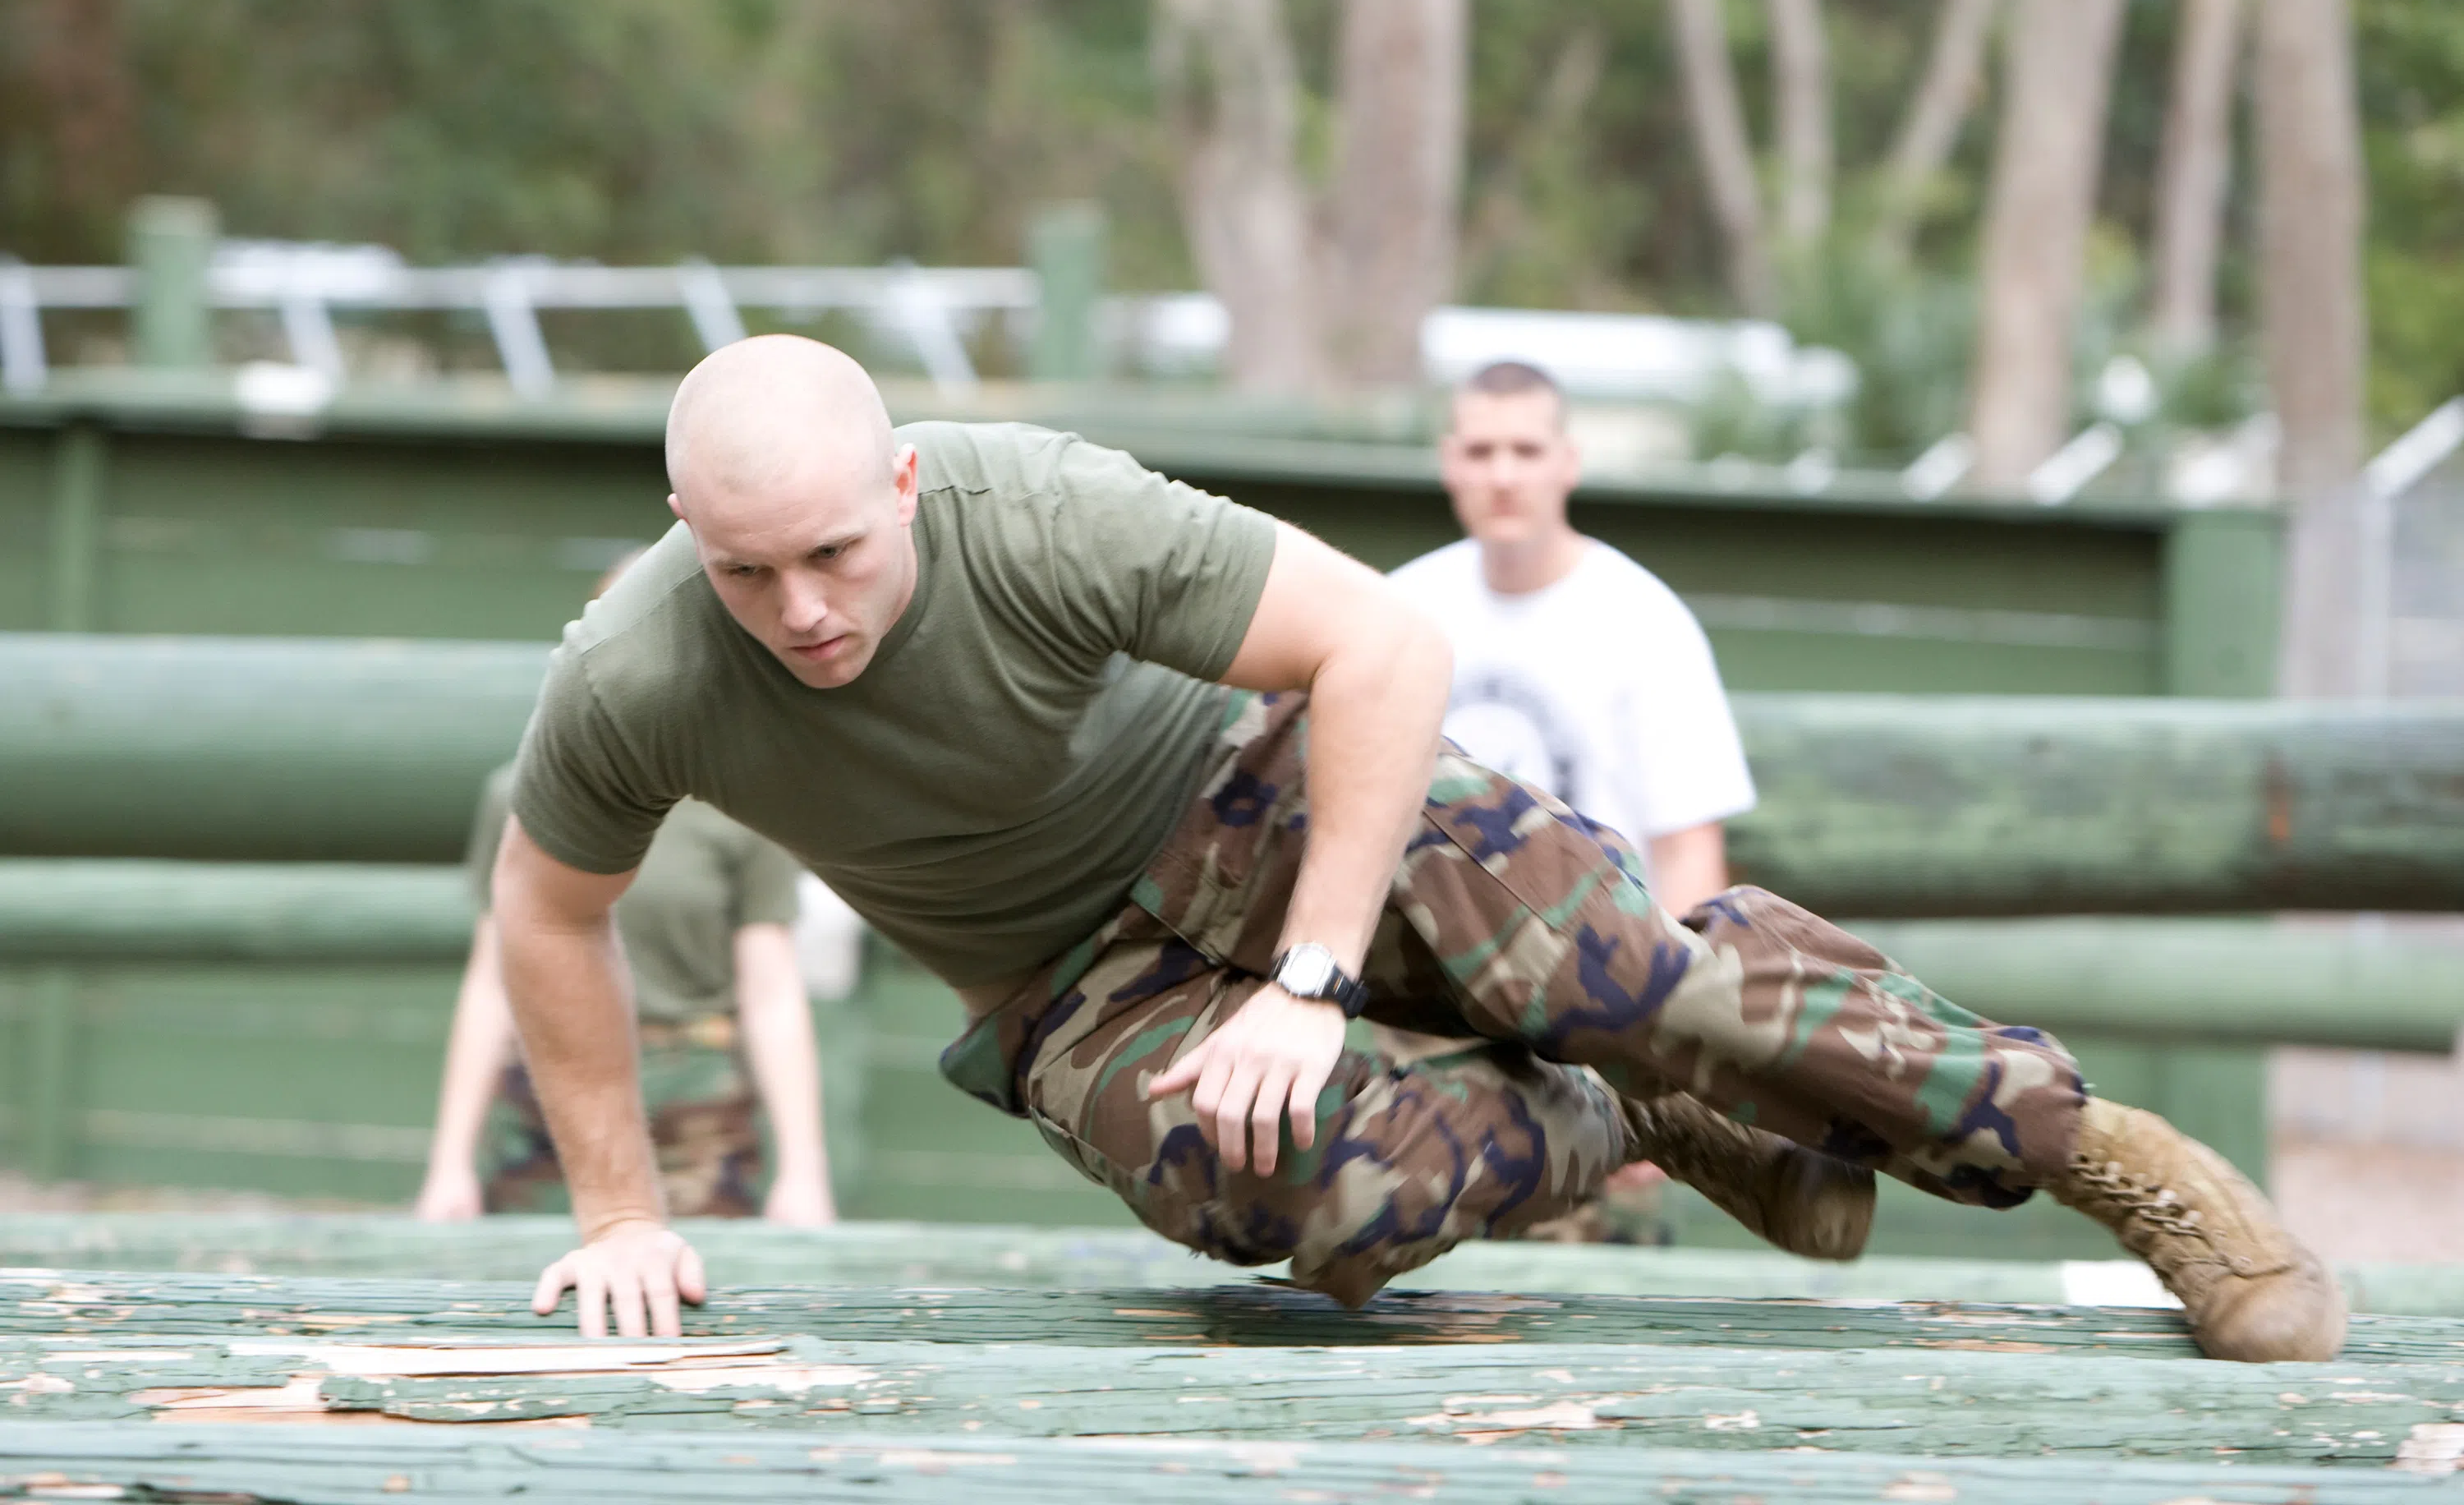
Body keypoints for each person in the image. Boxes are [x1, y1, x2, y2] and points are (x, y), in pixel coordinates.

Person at [490, 334, 2342, 1363]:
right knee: (1307, 1213)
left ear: (904, 483)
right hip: (1069, 983)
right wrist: (620, 1208)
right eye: (749, 571)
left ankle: (2101, 1153)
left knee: (1617, 974)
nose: (803, 610)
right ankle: (1641, 1117)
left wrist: (1309, 970)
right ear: (681, 532)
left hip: (1254, 799)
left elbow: (1378, 643)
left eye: (836, 551)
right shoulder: (639, 667)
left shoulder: (1028, 506)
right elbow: (549, 911)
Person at [413, 564, 837, 1227]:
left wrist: (805, 1174)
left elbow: (772, 994)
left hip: (697, 1101)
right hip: (550, 1097)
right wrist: (449, 1164)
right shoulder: (525, 794)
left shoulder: (748, 806)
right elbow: (492, 984)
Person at [1391, 360, 1751, 918]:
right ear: (1450, 462)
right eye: (1481, 452)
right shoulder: (1399, 608)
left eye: (1527, 451)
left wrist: (1675, 998)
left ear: (1568, 462)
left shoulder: (1647, 621)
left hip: (1600, 967)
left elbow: (1688, 855)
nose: (1504, 476)